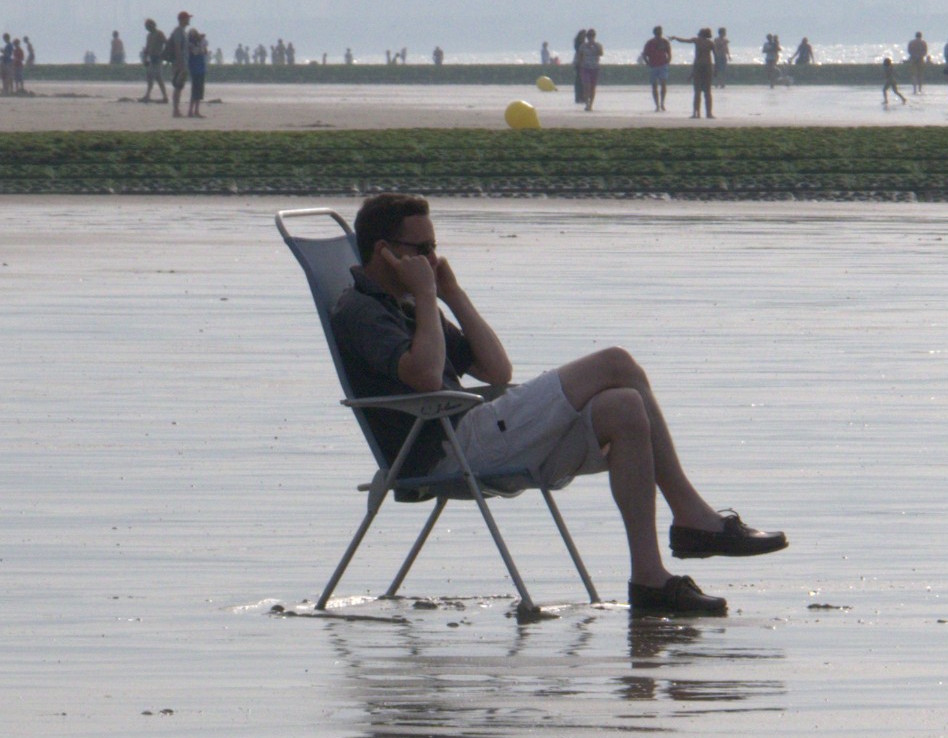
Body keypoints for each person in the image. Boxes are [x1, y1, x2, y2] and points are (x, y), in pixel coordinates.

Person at [329, 194, 789, 616]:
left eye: (435, 247)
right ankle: (692, 518)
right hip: (448, 448)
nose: (433, 260)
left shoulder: (412, 304)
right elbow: (427, 377)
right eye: (422, 249)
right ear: (383, 251)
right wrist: (428, 295)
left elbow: (496, 370)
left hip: (478, 439)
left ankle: (649, 578)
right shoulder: (360, 310)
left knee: (626, 407)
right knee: (616, 362)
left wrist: (451, 294)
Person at [671, 27, 718, 118]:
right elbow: (715, 56)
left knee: (697, 91)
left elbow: (685, 41)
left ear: (701, 34)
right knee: (707, 92)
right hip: (707, 67)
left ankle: (696, 113)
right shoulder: (710, 43)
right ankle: (708, 113)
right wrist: (715, 69)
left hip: (698, 67)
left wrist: (675, 38)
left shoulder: (697, 40)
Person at [640, 26, 672, 111]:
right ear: (654, 33)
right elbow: (644, 54)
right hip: (653, 66)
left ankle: (662, 103)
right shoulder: (650, 43)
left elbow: (669, 53)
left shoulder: (665, 42)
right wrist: (648, 63)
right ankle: (657, 105)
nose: (659, 33)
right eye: (657, 32)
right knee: (654, 86)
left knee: (663, 84)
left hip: (663, 65)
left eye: (660, 32)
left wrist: (668, 62)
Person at [167, 11, 193, 116]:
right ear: (182, 19)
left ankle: (176, 109)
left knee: (180, 86)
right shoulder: (178, 31)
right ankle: (175, 110)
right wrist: (180, 63)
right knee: (178, 86)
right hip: (179, 63)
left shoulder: (183, 31)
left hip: (183, 62)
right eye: (187, 18)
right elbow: (177, 47)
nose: (189, 20)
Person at [140, 18, 168, 101]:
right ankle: (147, 95)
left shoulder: (159, 33)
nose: (147, 28)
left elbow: (166, 43)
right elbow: (147, 48)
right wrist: (145, 58)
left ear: (152, 25)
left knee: (158, 77)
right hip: (151, 58)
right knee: (149, 76)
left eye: (148, 26)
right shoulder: (149, 36)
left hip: (158, 58)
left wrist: (164, 54)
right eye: (146, 26)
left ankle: (165, 96)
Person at [184, 28, 208, 117]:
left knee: (199, 91)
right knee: (195, 91)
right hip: (195, 69)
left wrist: (201, 44)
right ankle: (191, 111)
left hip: (200, 68)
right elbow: (195, 52)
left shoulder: (199, 43)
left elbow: (205, 52)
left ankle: (196, 110)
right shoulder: (189, 45)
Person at [577, 28, 603, 110]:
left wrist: (594, 45)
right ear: (587, 37)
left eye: (592, 36)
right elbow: (579, 56)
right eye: (589, 36)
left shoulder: (598, 45)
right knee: (586, 86)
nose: (590, 38)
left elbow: (601, 53)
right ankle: (587, 103)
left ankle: (590, 104)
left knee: (592, 87)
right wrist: (579, 65)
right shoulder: (583, 46)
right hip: (585, 68)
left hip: (595, 68)